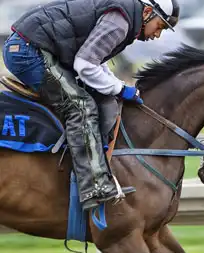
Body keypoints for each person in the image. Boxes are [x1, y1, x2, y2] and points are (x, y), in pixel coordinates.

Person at [2, 0, 180, 211]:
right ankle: (94, 186)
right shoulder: (120, 23)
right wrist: (121, 90)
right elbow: (85, 65)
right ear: (148, 12)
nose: (157, 35)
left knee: (95, 97)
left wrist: (118, 86)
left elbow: (95, 61)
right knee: (81, 107)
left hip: (36, 47)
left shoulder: (124, 18)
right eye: (159, 26)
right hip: (28, 53)